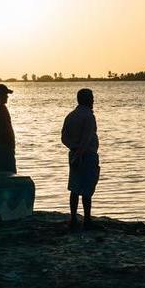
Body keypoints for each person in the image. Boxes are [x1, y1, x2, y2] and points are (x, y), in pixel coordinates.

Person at [61, 88, 100, 229]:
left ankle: (73, 219)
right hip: (87, 155)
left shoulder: (71, 115)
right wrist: (80, 153)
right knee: (87, 189)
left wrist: (74, 148)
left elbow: (63, 138)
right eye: (91, 97)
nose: (93, 100)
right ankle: (87, 220)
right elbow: (87, 138)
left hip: (74, 154)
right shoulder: (88, 116)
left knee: (75, 187)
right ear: (87, 100)